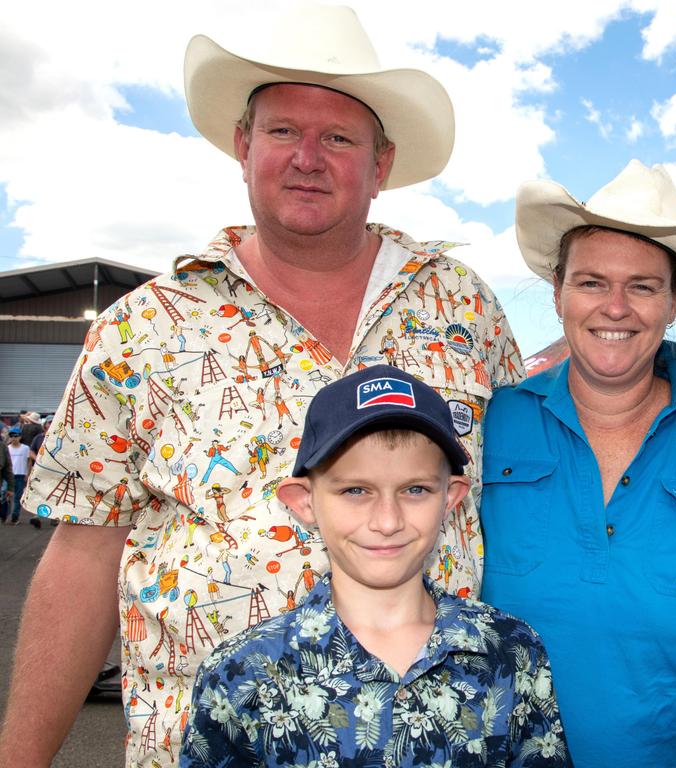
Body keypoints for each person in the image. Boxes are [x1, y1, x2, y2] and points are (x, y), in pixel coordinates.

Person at [1, 6, 522, 767]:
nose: (308, 157)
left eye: (339, 137)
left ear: (381, 164)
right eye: (283, 131)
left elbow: (515, 491)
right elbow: (83, 557)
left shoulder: (461, 305)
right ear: (244, 147)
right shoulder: (140, 329)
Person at [480, 160, 676, 766]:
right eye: (591, 282)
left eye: (642, 286)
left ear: (674, 305)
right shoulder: (490, 422)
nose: (615, 307)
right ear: (558, 292)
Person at [180, 365, 571, 767]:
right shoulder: (243, 671)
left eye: (415, 489)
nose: (387, 521)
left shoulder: (510, 651)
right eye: (355, 491)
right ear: (304, 501)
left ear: (451, 498)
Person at [2, 427, 30, 525]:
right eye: (12, 436)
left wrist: (28, 474)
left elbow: (28, 461)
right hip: (8, 476)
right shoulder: (7, 448)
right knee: (4, 495)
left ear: (20, 437)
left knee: (17, 497)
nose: (14, 438)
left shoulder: (25, 448)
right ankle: (4, 515)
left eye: (16, 436)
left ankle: (15, 517)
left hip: (20, 475)